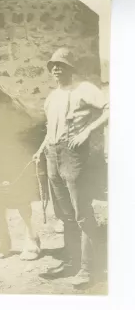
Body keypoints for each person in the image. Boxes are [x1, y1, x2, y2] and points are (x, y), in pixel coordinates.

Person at [33, 48, 109, 287]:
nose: (56, 68)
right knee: (65, 216)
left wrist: (87, 131)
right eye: (53, 65)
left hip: (75, 156)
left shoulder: (85, 89)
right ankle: (71, 263)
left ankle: (89, 269)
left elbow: (111, 108)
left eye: (62, 65)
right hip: (53, 156)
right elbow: (51, 129)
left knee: (82, 213)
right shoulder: (52, 97)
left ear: (71, 69)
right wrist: (41, 150)